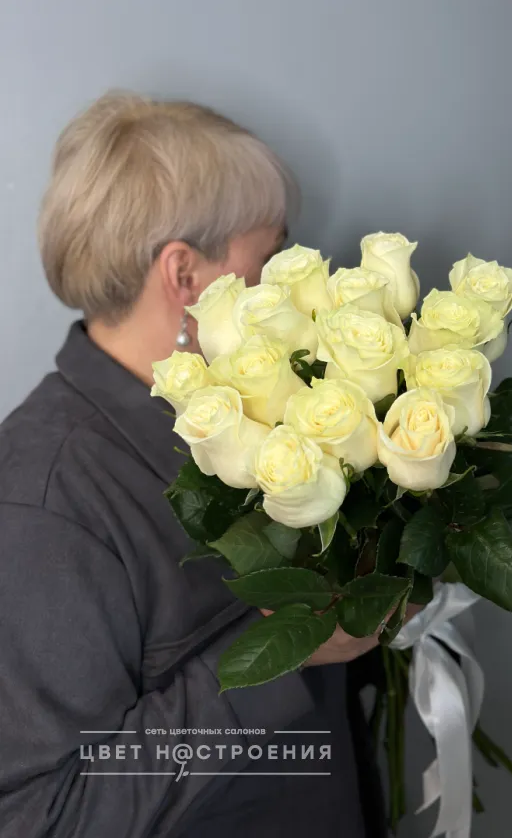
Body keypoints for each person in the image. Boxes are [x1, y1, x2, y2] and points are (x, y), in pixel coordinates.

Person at [0, 92, 386, 837]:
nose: (289, 285)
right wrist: (278, 652)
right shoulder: (43, 503)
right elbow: (40, 818)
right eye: (268, 257)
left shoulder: (259, 420)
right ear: (184, 275)